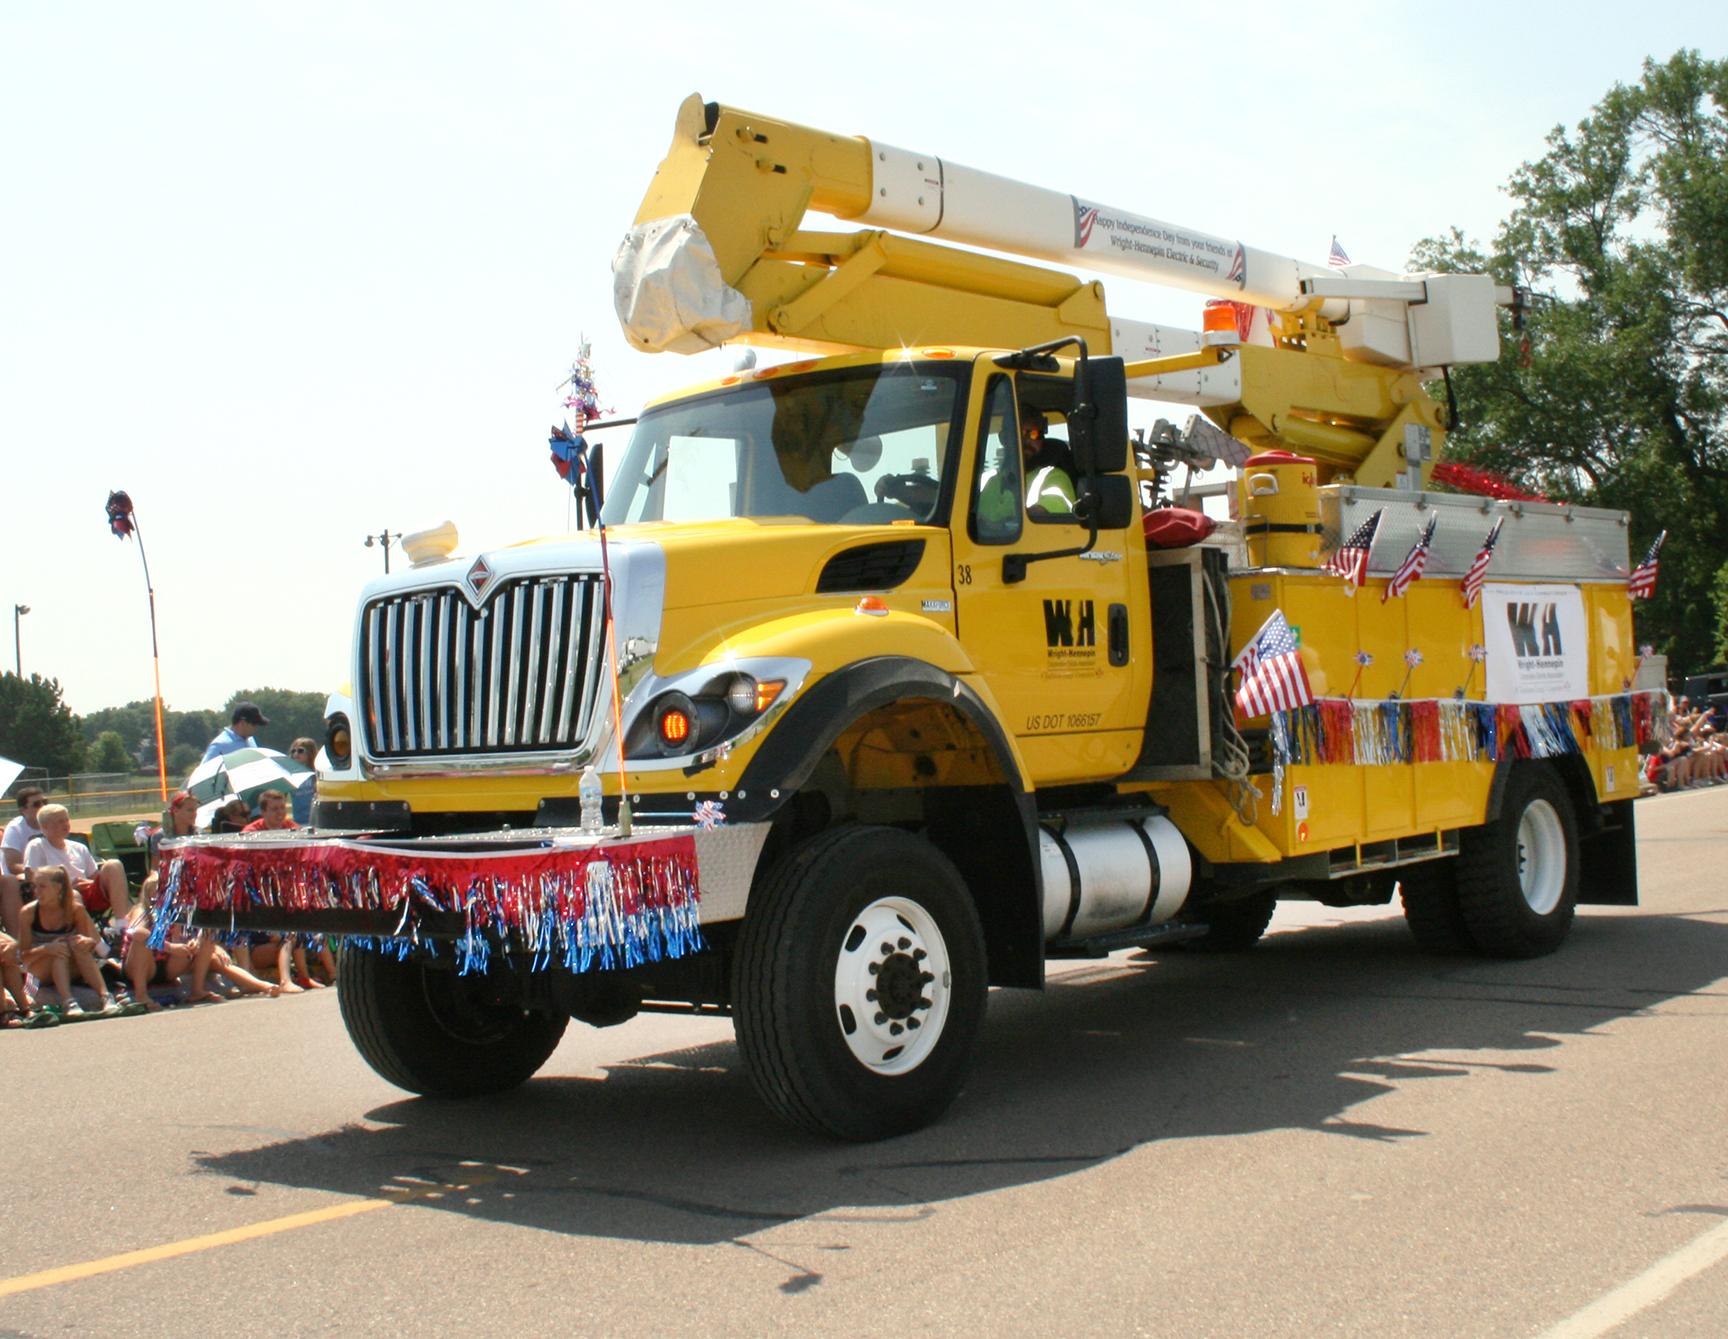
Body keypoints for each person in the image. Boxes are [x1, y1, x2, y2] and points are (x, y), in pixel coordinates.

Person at [121, 874, 280, 1008]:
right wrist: (170, 947)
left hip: (168, 966)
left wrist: (196, 942)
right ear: (147, 894)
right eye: (155, 892)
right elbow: (137, 932)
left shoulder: (176, 911)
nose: (160, 896)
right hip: (142, 967)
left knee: (208, 938)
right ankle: (141, 994)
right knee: (142, 939)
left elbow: (192, 933)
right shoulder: (141, 910)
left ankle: (257, 986)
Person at [17, 866, 127, 1018]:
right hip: (39, 970)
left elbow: (88, 943)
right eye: (34, 886)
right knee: (58, 951)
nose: (36, 891)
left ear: (58, 888)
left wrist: (86, 942)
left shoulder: (76, 910)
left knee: (77, 948)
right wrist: (47, 948)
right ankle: (68, 1001)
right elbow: (23, 956)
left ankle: (105, 997)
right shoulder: (28, 913)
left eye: (42, 886)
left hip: (70, 967)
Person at [24, 803, 134, 922]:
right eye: (59, 821)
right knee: (74, 894)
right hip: (59, 896)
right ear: (44, 827)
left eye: (66, 820)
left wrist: (89, 883)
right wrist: (67, 887)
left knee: (114, 864)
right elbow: (32, 880)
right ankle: (80, 933)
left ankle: (121, 925)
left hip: (87, 894)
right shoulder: (37, 846)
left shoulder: (79, 847)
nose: (65, 825)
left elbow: (94, 876)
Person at [1, 785, 48, 936]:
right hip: (22, 879)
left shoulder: (51, 823)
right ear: (23, 810)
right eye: (36, 804)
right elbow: (12, 865)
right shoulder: (16, 829)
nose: (43, 807)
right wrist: (40, 872)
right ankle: (19, 941)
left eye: (45, 802)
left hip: (50, 876)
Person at [1020, 409, 1077, 518]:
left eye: (1034, 434)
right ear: (1004, 438)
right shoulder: (991, 482)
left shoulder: (1055, 477)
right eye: (1019, 434)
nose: (1027, 441)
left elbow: (1040, 515)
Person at [203, 701, 270, 762]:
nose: (256, 727)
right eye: (254, 724)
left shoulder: (250, 740)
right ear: (243, 723)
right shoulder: (219, 745)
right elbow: (205, 772)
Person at [288, 737, 319, 825]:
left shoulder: (316, 774)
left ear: (310, 753)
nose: (296, 754)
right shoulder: (291, 775)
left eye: (300, 751)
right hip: (298, 821)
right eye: (293, 751)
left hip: (314, 820)